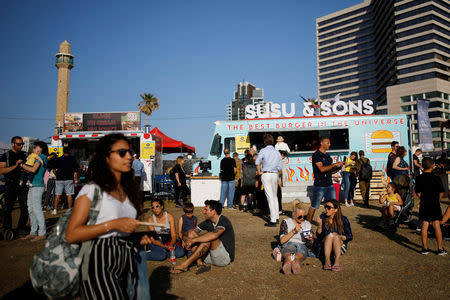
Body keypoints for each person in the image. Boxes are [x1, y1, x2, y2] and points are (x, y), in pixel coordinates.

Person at [65, 133, 150, 299]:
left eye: (130, 152)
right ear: (106, 158)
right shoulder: (92, 190)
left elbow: (122, 229)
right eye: (121, 152)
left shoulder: (128, 191)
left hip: (126, 259)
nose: (129, 157)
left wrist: (138, 237)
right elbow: (71, 234)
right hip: (98, 261)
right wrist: (113, 224)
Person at [171, 200, 235, 274]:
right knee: (192, 233)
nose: (203, 212)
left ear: (213, 211)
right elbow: (189, 233)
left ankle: (185, 265)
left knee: (209, 238)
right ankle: (200, 264)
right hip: (209, 257)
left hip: (223, 259)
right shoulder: (208, 222)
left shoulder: (224, 220)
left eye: (206, 210)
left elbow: (214, 235)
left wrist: (193, 240)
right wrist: (187, 239)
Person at [415, 157, 447, 256]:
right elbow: (442, 192)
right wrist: (437, 199)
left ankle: (424, 248)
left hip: (424, 203)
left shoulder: (419, 178)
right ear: (432, 166)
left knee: (425, 224)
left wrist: (423, 199)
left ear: (423, 166)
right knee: (436, 225)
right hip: (434, 203)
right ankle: (440, 248)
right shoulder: (436, 177)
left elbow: (417, 192)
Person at [308, 137, 344, 223]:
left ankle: (333, 223)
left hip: (329, 184)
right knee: (315, 206)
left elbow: (330, 171)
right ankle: (307, 224)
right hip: (319, 185)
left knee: (334, 206)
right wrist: (335, 164)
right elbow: (322, 169)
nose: (329, 145)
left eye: (329, 143)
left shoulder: (327, 156)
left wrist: (339, 167)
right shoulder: (316, 155)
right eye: (327, 143)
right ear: (321, 143)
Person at [19, 141, 48, 242]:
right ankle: (33, 231)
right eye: (36, 148)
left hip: (37, 186)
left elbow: (33, 170)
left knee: (36, 209)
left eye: (38, 149)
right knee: (31, 208)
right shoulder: (35, 156)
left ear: (42, 150)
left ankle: (42, 233)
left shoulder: (42, 157)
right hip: (32, 186)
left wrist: (22, 165)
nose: (36, 150)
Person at [0, 136, 28, 237]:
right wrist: (16, 166)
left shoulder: (25, 155)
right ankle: (7, 229)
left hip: (22, 184)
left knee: (25, 207)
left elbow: (29, 167)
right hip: (10, 183)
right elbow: (2, 170)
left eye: (22, 144)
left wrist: (26, 170)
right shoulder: (6, 155)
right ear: (12, 144)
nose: (21, 146)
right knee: (8, 208)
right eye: (18, 144)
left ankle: (22, 227)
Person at [277, 200, 315, 274]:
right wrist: (294, 231)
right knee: (288, 254)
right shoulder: (286, 222)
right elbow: (282, 241)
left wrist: (311, 239)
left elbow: (309, 245)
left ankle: (296, 263)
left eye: (304, 217)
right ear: (294, 214)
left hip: (302, 244)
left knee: (299, 255)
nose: (302, 219)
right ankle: (287, 263)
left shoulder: (307, 224)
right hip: (288, 243)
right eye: (300, 217)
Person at [316, 200, 353, 271]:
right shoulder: (322, 217)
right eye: (325, 207)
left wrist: (340, 237)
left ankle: (337, 261)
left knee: (335, 237)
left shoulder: (343, 219)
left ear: (336, 210)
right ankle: (327, 261)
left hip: (339, 247)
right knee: (329, 235)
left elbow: (350, 236)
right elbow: (319, 237)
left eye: (329, 207)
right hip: (324, 247)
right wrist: (320, 225)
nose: (326, 209)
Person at [255, 134, 283, 227]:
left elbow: (257, 162)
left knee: (270, 197)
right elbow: (279, 167)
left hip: (266, 173)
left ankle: (273, 219)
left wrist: (259, 172)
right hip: (274, 174)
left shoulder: (263, 150)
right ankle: (276, 217)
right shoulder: (277, 152)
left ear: (264, 141)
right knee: (274, 197)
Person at [52, 147, 78, 215]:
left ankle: (55, 210)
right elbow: (75, 171)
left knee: (57, 194)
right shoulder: (73, 159)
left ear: (63, 152)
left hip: (59, 179)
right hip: (69, 179)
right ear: (69, 152)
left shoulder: (58, 159)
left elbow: (54, 170)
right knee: (69, 195)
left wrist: (57, 175)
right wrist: (75, 179)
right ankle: (69, 210)